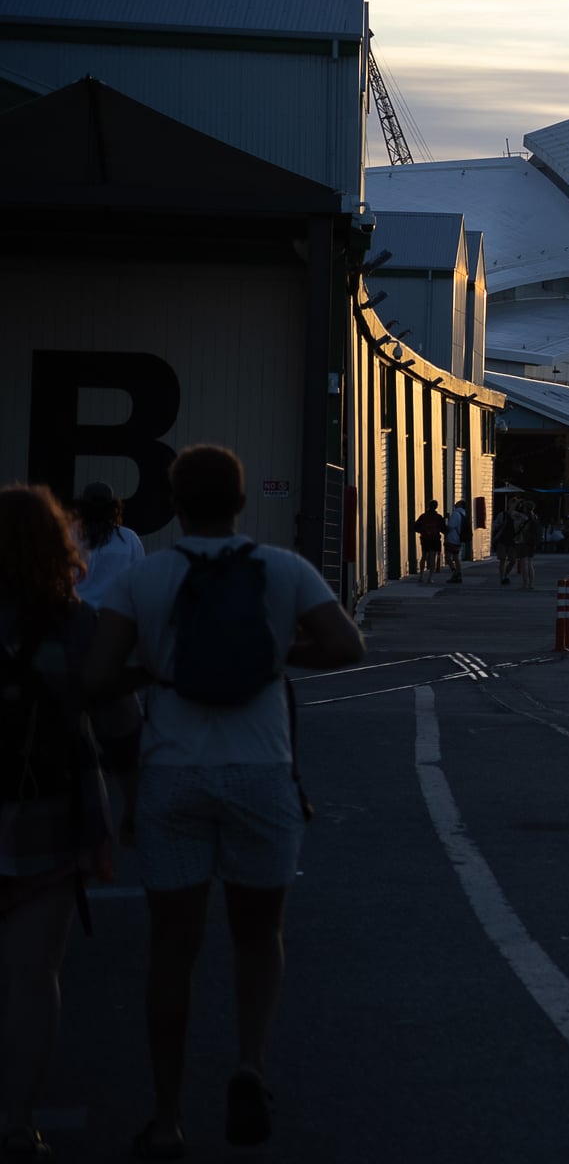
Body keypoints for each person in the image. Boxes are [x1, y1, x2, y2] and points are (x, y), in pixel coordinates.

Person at [87, 445, 365, 1158]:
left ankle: (168, 1114)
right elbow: (346, 646)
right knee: (257, 932)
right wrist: (272, 656)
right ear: (241, 502)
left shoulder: (146, 577)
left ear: (175, 504)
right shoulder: (283, 570)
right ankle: (249, 1064)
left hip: (173, 774)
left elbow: (95, 676)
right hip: (261, 772)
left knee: (172, 948)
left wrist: (158, 668)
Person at [0, 486, 138, 1160]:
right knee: (32, 978)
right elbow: (116, 728)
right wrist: (134, 803)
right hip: (47, 821)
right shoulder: (77, 628)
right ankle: (16, 1121)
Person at [73, 483, 146, 608]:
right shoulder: (128, 539)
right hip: (115, 615)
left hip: (78, 612)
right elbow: (141, 581)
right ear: (113, 508)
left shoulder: (68, 536)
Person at [408, 504, 444, 584]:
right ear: (436, 507)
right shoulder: (438, 517)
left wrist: (423, 531)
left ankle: (421, 575)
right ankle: (430, 577)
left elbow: (415, 527)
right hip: (435, 539)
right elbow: (443, 528)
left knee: (424, 556)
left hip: (425, 539)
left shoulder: (423, 516)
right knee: (432, 558)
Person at [445, 500, 468, 585]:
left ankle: (454, 573)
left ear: (461, 505)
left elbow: (450, 526)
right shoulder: (463, 514)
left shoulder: (455, 514)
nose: (456, 503)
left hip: (452, 539)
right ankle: (459, 573)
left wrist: (445, 530)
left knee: (448, 557)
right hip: (458, 539)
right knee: (456, 557)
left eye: (458, 503)